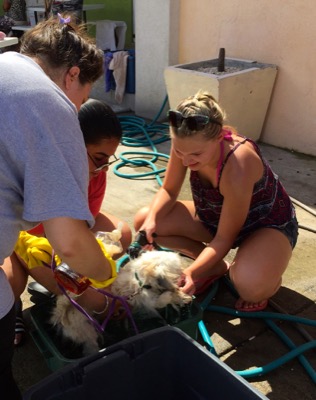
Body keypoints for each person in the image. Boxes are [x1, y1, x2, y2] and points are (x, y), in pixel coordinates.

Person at [0, 15, 112, 399]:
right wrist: (105, 276)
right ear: (72, 75)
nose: (76, 108)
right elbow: (69, 243)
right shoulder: (49, 101)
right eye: (82, 98)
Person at [133, 90, 298, 313]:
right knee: (146, 220)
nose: (186, 160)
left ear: (220, 137)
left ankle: (265, 275)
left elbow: (223, 239)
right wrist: (151, 220)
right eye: (180, 152)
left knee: (249, 285)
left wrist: (191, 273)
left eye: (196, 155)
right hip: (215, 216)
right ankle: (214, 268)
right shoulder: (186, 144)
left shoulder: (239, 163)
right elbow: (169, 189)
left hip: (265, 226)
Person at [3, 99, 132, 346]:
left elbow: (82, 224)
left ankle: (60, 286)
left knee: (121, 234)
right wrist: (87, 276)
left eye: (108, 160)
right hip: (21, 238)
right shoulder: (41, 172)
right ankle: (14, 308)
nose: (103, 168)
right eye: (98, 158)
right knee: (11, 284)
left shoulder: (96, 175)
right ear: (71, 144)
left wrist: (84, 269)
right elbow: (41, 235)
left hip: (59, 237)